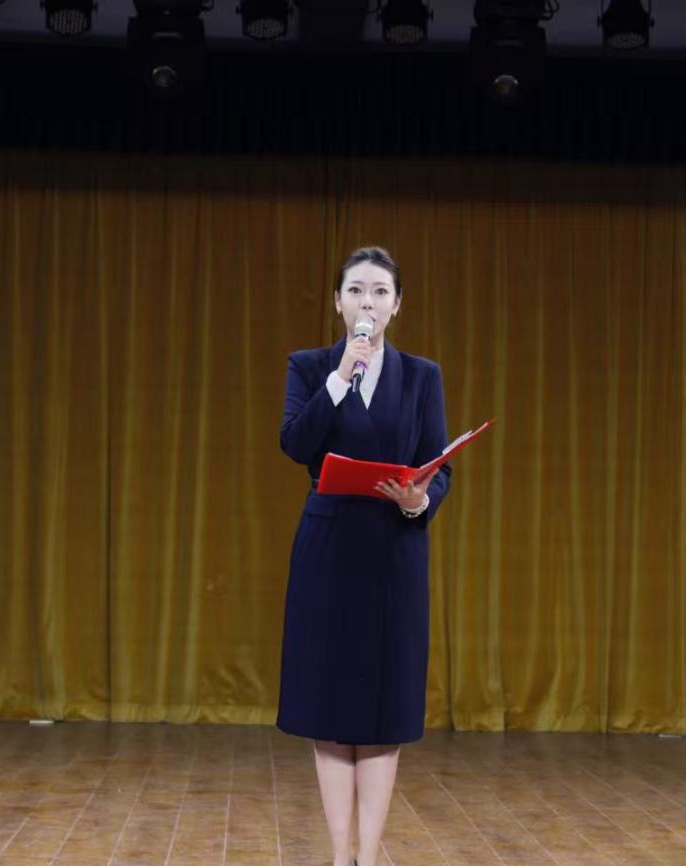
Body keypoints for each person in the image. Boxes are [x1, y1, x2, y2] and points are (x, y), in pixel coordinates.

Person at [276, 246, 452, 866]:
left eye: (380, 292)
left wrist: (418, 498)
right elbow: (296, 443)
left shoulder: (422, 376)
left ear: (397, 305)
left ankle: (368, 857)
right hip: (327, 552)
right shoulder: (310, 367)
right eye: (356, 291)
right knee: (330, 706)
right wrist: (338, 378)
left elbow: (439, 463)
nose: (367, 303)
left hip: (393, 551)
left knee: (384, 706)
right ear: (338, 301)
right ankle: (338, 854)